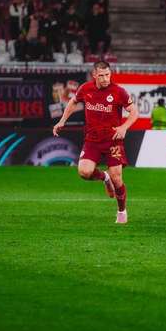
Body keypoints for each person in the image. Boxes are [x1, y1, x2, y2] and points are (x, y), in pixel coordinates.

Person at [53, 61, 138, 224]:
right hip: (92, 140)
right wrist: (62, 120)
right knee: (84, 172)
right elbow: (73, 102)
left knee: (117, 179)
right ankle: (104, 177)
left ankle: (121, 211)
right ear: (94, 75)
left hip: (113, 141)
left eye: (107, 75)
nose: (105, 79)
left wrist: (124, 127)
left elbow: (134, 112)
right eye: (101, 76)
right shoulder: (86, 89)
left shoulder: (119, 91)